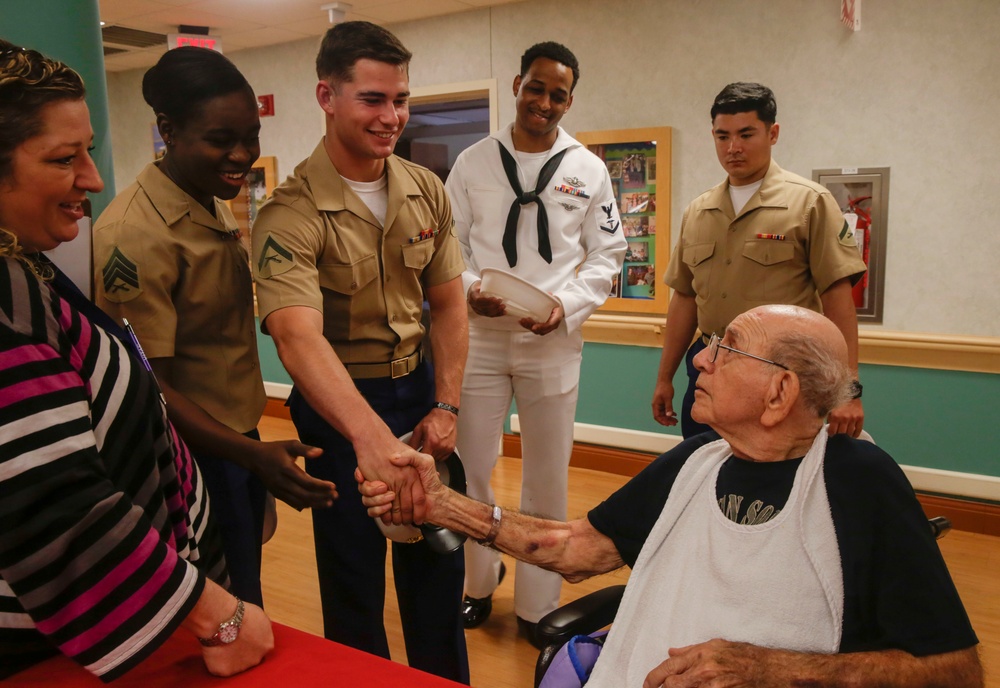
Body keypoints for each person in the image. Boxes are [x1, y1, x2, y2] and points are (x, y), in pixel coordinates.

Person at [359, 304, 982, 688]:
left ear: (779, 393)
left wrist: (772, 670)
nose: (700, 359)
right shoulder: (698, 459)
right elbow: (574, 548)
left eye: (726, 348)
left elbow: (954, 672)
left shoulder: (858, 481)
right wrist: (441, 504)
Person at [0, 39, 272, 681]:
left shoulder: (24, 264)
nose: (93, 179)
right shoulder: (124, 236)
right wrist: (216, 615)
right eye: (65, 158)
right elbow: (51, 506)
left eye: (88, 151)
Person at [250, 21, 469, 682]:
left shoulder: (424, 187)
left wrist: (448, 404)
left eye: (401, 99)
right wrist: (370, 440)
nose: (392, 115)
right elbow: (296, 335)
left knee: (437, 563)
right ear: (327, 96)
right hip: (339, 408)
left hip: (421, 392)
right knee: (354, 585)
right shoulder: (287, 213)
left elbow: (451, 303)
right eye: (373, 99)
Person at [92, 47, 337, 609]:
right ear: (168, 132)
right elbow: (150, 386)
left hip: (233, 440)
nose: (243, 154)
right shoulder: (135, 234)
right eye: (222, 138)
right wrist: (249, 458)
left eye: (251, 136)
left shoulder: (208, 200)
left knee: (244, 590)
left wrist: (251, 456)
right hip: (185, 455)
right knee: (221, 606)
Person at [444, 41, 625, 640]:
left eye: (559, 94)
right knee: (473, 467)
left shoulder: (588, 169)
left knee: (546, 476)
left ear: (570, 99)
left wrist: (565, 307)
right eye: (536, 88)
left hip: (552, 339)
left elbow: (607, 256)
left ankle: (538, 605)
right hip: (481, 338)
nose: (544, 103)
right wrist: (471, 289)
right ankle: (477, 581)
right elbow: (452, 248)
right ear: (518, 84)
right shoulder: (472, 163)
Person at [652, 82, 868, 440]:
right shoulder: (699, 211)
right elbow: (685, 299)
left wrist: (848, 391)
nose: (733, 147)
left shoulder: (810, 203)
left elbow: (837, 299)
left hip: (781, 375)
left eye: (746, 134)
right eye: (722, 136)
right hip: (709, 368)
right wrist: (664, 378)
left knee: (775, 481)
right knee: (700, 469)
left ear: (773, 133)